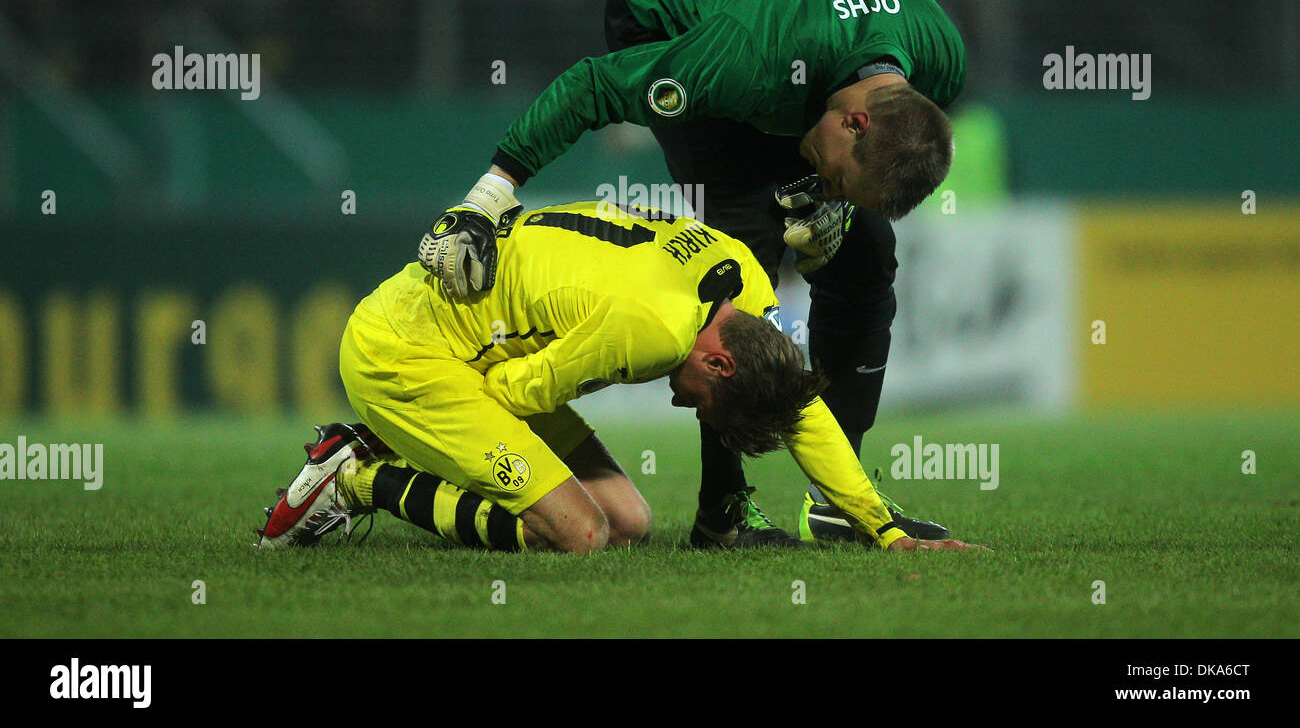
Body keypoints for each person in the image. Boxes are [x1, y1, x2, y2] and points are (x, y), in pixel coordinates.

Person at [417, 0, 966, 546]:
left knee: (868, 261)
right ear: (856, 124)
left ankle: (837, 503)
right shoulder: (737, 58)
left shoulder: (939, 62)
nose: (831, 187)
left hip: (790, 19)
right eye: (840, 179)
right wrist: (488, 196)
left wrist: (832, 201)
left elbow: (862, 155)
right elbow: (590, 86)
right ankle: (723, 510)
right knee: (740, 270)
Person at [258, 201, 984, 554]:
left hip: (491, 347)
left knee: (629, 524)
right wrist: (455, 446)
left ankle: (388, 462)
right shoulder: (649, 329)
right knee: (577, 534)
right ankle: (354, 474)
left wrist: (887, 532)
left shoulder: (747, 289)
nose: (677, 397)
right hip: (408, 352)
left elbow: (798, 406)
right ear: (716, 359)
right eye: (701, 399)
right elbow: (509, 396)